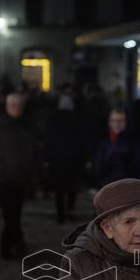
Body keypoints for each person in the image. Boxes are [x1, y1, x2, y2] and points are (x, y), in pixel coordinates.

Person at [0, 92, 37, 259]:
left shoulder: (25, 126)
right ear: (7, 107)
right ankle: (15, 246)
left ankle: (12, 247)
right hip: (4, 178)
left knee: (15, 214)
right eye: (13, 106)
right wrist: (1, 166)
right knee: (10, 214)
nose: (16, 109)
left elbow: (31, 149)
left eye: (19, 106)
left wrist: (31, 168)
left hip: (20, 177)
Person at [43, 94, 86, 224]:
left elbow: (48, 140)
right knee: (71, 188)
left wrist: (47, 157)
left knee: (59, 190)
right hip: (72, 159)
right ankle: (70, 210)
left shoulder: (53, 119)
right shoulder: (76, 119)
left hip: (57, 160)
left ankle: (60, 214)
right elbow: (81, 140)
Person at [91, 108, 140, 189]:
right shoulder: (103, 141)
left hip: (128, 186)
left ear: (126, 122)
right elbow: (97, 168)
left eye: (121, 120)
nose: (117, 123)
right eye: (113, 120)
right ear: (109, 123)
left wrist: (125, 159)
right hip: (107, 186)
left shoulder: (134, 141)